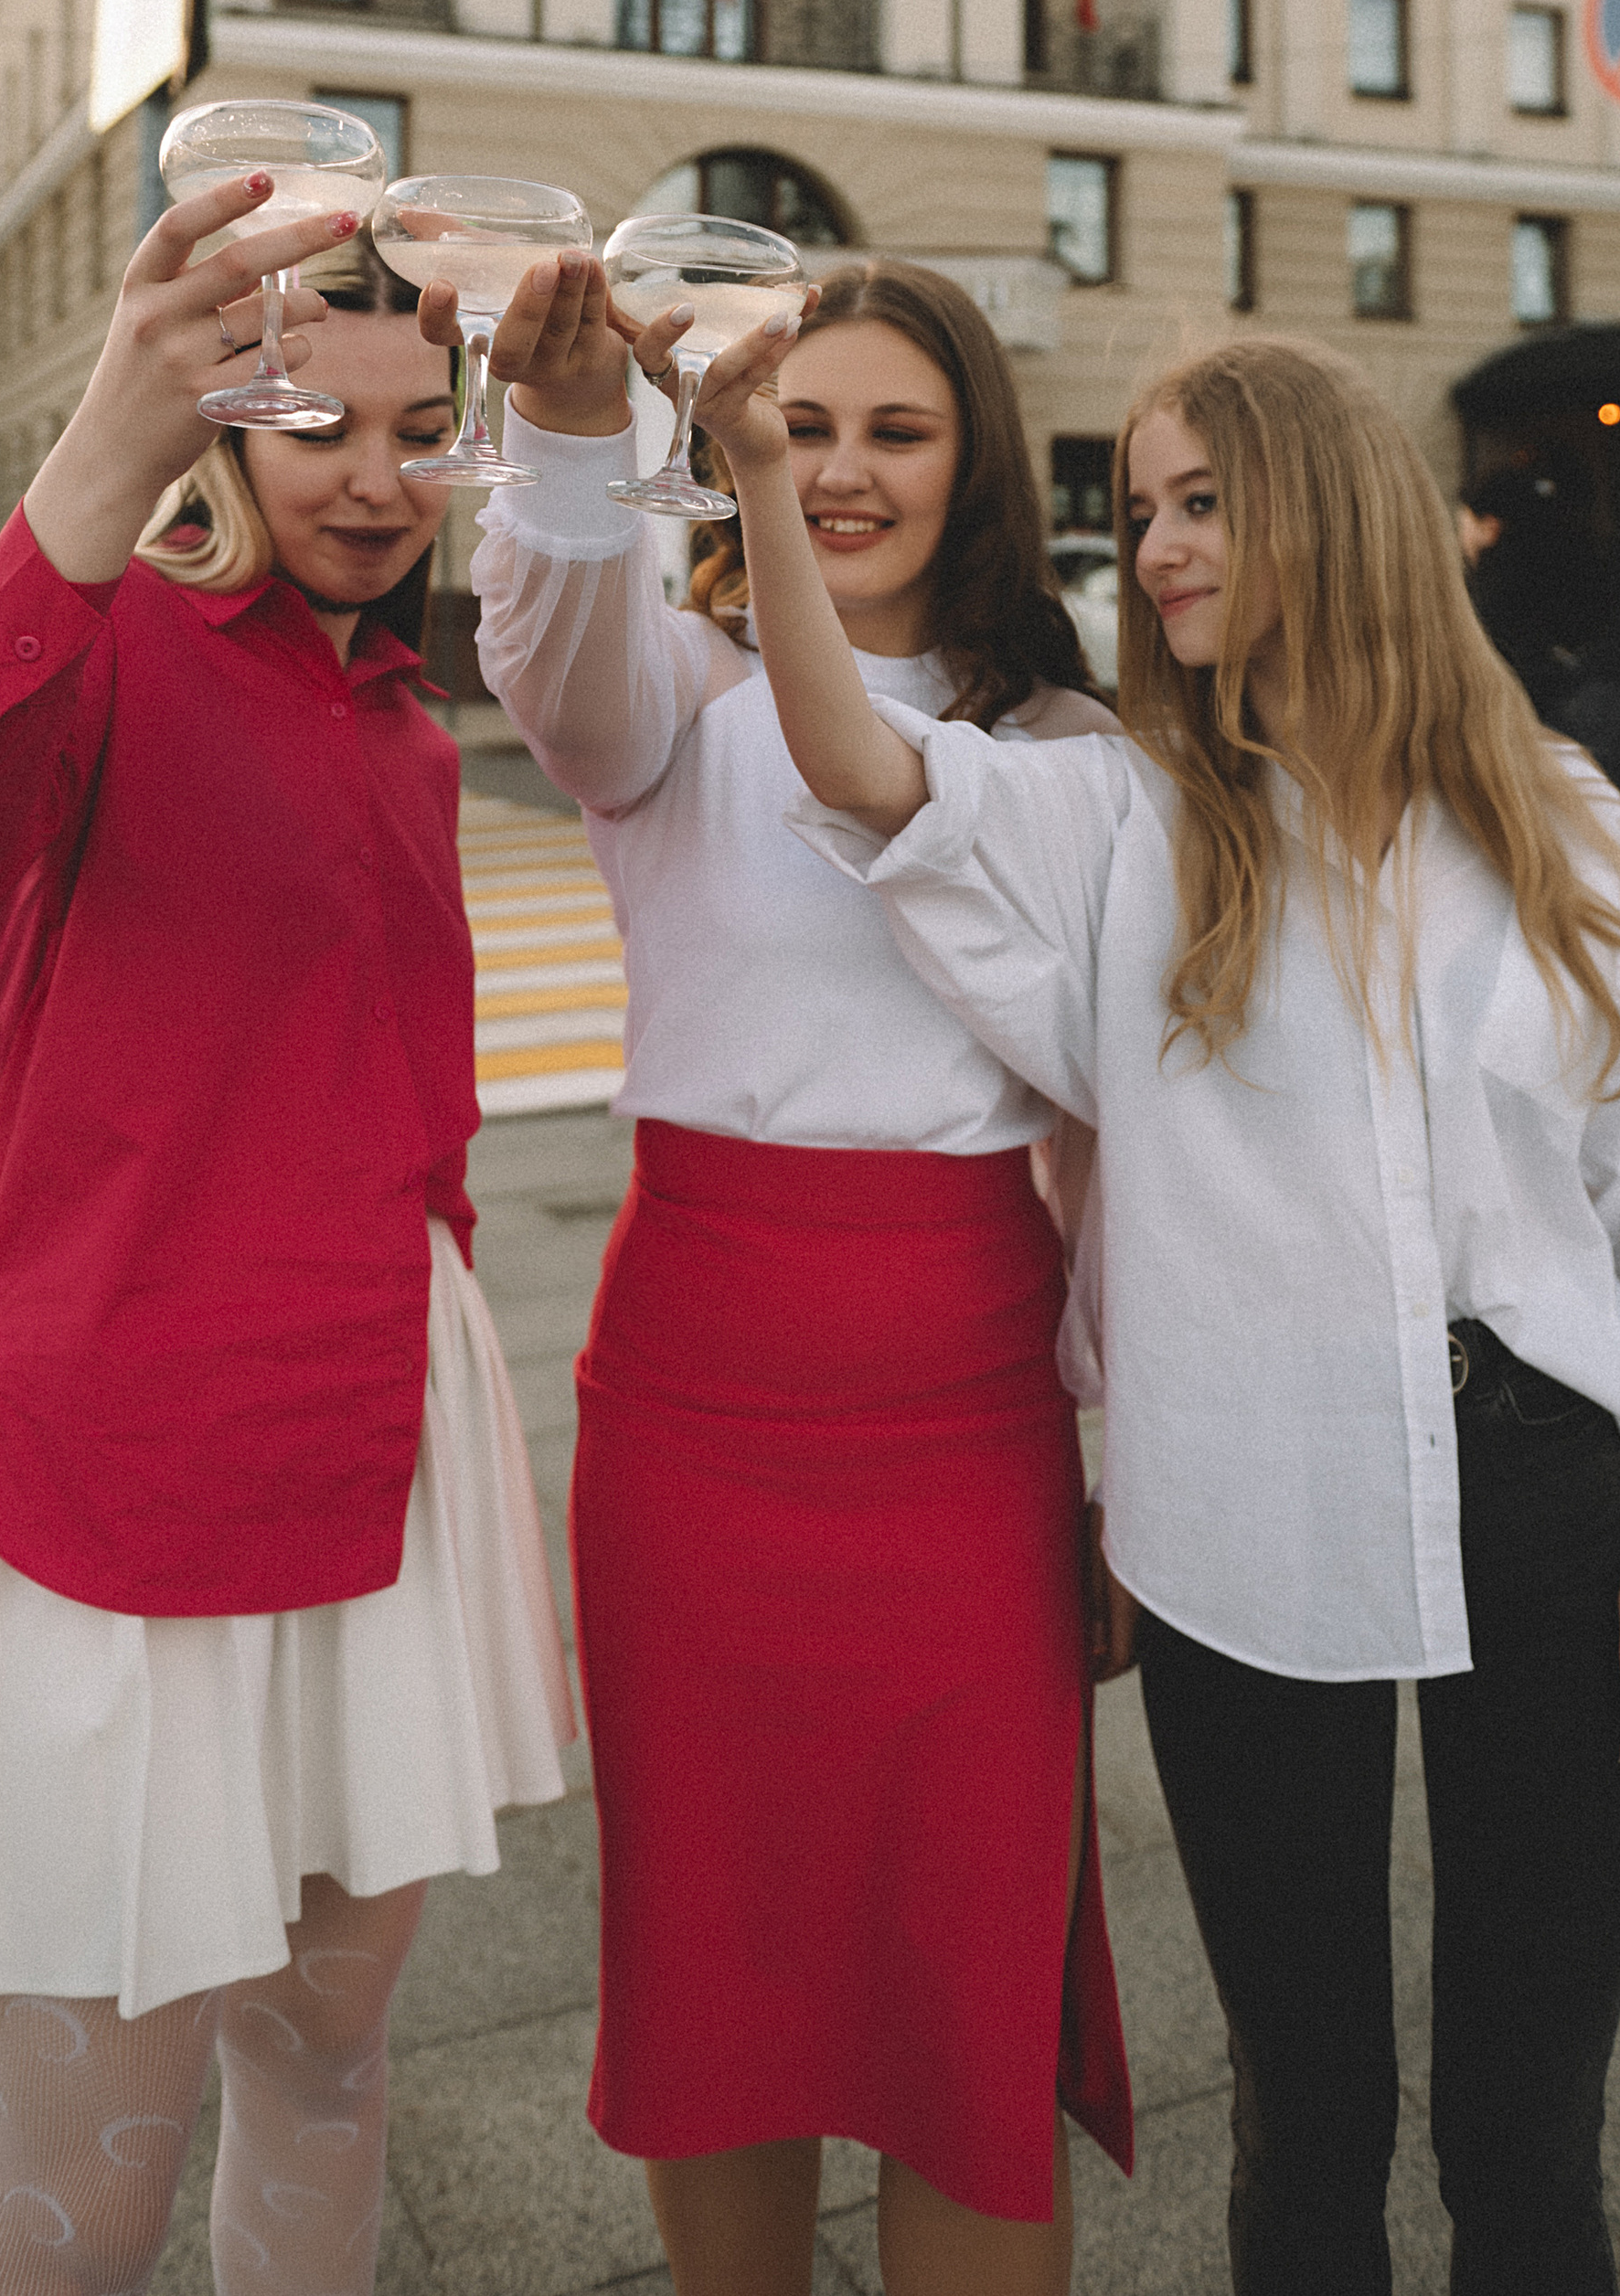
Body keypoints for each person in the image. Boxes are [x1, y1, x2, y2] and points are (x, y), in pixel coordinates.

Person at [698, 325, 1620, 2296]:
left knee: (1527, 2133)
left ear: (1328, 511)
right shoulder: (1123, 818)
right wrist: (760, 470)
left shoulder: (1561, 814)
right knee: (1306, 2123)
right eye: (1138, 508)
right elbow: (859, 766)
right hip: (1242, 1504)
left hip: (1548, 1497)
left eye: (1202, 503)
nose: (1157, 549)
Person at [0, 176, 573, 2296]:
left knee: (327, 2074)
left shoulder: (405, 724)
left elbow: (422, 1112)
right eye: (316, 422)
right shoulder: (109, 638)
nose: (375, 479)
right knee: (70, 2224)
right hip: (119, 1484)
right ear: (225, 424)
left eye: (418, 429)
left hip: (376, 1451)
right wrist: (99, 450)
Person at [447, 251, 1133, 2296]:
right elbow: (553, 653)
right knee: (717, 1974)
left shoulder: (1068, 744)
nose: (836, 469)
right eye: (798, 423)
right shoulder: (670, 682)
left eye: (892, 432)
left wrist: (1133, 1461)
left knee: (965, 1984)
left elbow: (1106, 1148)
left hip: (966, 1411)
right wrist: (577, 429)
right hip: (695, 1409)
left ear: (973, 465)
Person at [1457, 452, 1620, 849]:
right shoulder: (1594, 575)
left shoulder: (1494, 601)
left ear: (1490, 527)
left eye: (1464, 520)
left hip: (1553, 804)